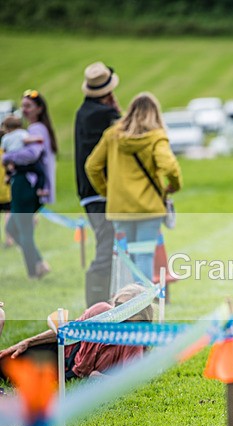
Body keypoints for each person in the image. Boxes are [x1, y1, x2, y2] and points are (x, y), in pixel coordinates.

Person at [85, 92, 182, 283]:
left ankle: (128, 297)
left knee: (126, 258)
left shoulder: (112, 135)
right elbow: (170, 167)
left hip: (120, 207)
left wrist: (107, 191)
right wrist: (174, 185)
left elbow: (92, 166)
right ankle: (143, 299)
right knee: (144, 255)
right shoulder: (156, 137)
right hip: (148, 207)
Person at [0, 284, 154, 379]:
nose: (119, 311)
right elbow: (66, 332)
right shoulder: (101, 310)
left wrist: (98, 377)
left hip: (68, 370)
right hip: (64, 350)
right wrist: (27, 342)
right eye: (118, 304)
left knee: (18, 374)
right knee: (5, 360)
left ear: (140, 316)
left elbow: (132, 379)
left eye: (127, 309)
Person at [75, 62, 122, 307]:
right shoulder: (103, 115)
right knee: (106, 247)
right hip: (100, 192)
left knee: (106, 244)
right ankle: (97, 306)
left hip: (87, 192)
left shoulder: (83, 112)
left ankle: (101, 302)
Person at [1, 89, 57, 279]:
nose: (24, 109)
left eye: (28, 106)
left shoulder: (35, 129)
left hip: (26, 184)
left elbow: (32, 154)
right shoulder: (34, 129)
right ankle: (39, 263)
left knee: (23, 230)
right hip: (27, 183)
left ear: (39, 108)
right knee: (12, 228)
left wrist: (7, 157)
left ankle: (34, 272)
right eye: (22, 105)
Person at [1, 115, 47, 197]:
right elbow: (26, 140)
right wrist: (38, 139)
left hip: (14, 163)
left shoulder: (5, 138)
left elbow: (4, 150)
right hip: (24, 161)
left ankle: (8, 176)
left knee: (9, 168)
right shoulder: (21, 133)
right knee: (40, 172)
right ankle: (40, 189)